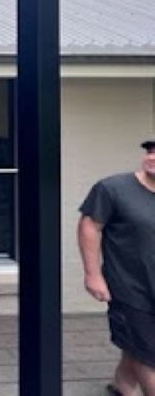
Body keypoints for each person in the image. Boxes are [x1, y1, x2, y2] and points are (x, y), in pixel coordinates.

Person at [78, 140, 155, 396]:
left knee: (136, 344)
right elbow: (90, 226)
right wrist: (93, 274)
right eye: (150, 151)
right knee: (148, 354)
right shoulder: (113, 189)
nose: (152, 157)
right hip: (130, 286)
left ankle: (122, 387)